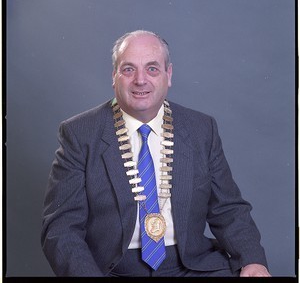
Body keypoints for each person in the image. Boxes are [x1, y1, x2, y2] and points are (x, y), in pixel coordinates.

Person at [41, 29, 271, 277]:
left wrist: (252, 261)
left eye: (152, 69)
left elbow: (228, 209)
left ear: (168, 75)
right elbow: (61, 228)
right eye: (128, 69)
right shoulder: (80, 133)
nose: (141, 80)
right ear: (114, 76)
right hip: (113, 270)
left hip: (192, 266)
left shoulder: (200, 129)